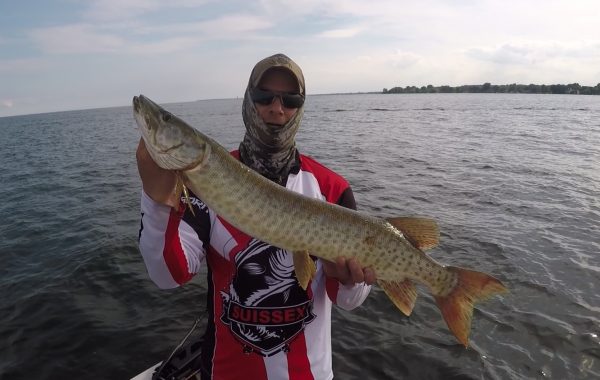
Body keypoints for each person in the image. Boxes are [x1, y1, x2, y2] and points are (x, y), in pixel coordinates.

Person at [136, 53, 376, 380]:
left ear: (299, 107)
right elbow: (167, 275)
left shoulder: (332, 188)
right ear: (249, 100)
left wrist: (351, 281)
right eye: (264, 96)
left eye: (290, 99)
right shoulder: (201, 184)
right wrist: (156, 199)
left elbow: (348, 300)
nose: (276, 109)